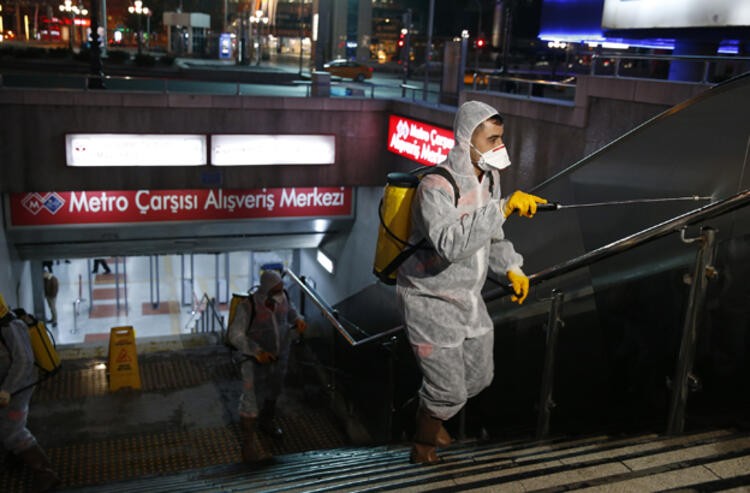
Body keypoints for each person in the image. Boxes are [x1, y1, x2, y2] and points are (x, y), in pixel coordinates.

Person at [396, 100, 547, 464]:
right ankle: (422, 444)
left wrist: (510, 267)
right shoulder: (436, 186)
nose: (500, 148)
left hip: (468, 296)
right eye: (492, 139)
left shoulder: (490, 179)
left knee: (479, 377)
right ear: (467, 138)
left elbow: (490, 236)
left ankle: (431, 414)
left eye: (501, 139)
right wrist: (503, 208)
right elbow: (449, 244)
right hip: (429, 298)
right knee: (447, 389)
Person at [228, 269, 307, 464]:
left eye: (282, 289)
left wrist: (298, 320)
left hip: (280, 356)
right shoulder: (249, 307)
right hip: (253, 360)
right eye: (276, 290)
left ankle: (267, 422)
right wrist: (256, 351)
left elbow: (290, 312)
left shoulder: (284, 298)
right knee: (250, 400)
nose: (280, 294)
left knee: (274, 390)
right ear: (265, 290)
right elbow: (235, 335)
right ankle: (247, 442)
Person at [0, 294, 61, 492]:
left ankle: (46, 474)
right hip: (8, 387)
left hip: (17, 389)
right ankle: (16, 455)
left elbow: (24, 361)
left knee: (13, 429)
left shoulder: (10, 327)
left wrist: (7, 390)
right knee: (7, 427)